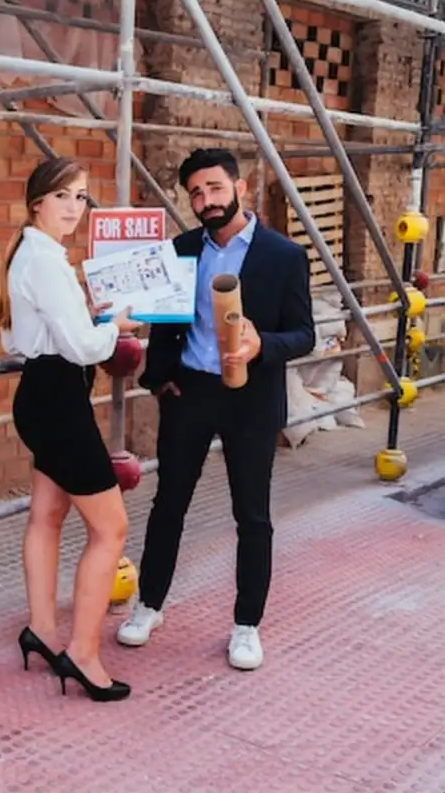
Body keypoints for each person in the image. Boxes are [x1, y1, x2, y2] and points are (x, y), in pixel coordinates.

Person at [116, 147, 314, 670]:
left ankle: (247, 625)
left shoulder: (283, 256)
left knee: (251, 514)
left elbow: (304, 335)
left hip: (251, 395)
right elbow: (161, 319)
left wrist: (261, 344)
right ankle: (149, 605)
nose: (206, 201)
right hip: (191, 394)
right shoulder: (180, 249)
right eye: (197, 193)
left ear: (240, 187)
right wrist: (159, 379)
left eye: (215, 189)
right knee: (168, 506)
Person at [0, 156, 142, 703]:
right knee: (112, 529)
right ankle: (82, 654)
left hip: (44, 394)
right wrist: (112, 326)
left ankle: (43, 630)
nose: (74, 209)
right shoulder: (46, 262)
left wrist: (92, 324)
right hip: (58, 398)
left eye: (81, 197)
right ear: (38, 201)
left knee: (47, 515)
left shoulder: (30, 255)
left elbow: (19, 341)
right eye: (63, 196)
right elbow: (82, 347)